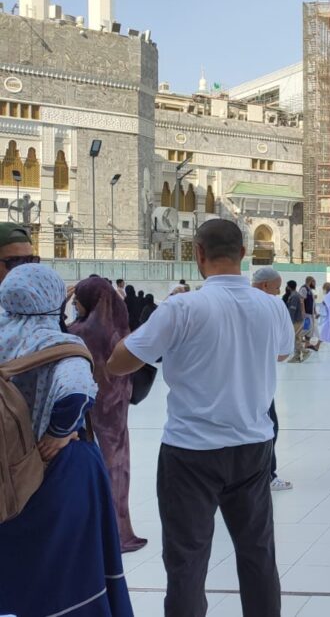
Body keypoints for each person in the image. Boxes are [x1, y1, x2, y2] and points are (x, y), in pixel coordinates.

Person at [107, 219, 293, 617]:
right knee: (258, 554)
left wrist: (135, 329)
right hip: (253, 447)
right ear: (243, 254)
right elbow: (280, 353)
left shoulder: (182, 307)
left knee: (187, 563)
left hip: (190, 452)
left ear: (198, 254)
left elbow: (119, 363)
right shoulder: (272, 306)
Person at [0, 264, 134, 617]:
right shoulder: (57, 342)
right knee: (68, 573)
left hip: (5, 473)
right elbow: (74, 392)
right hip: (55, 473)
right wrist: (59, 433)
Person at [68, 276, 147, 553]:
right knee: (118, 465)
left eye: (78, 300)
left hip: (85, 410)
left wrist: (59, 305)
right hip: (116, 407)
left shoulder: (79, 332)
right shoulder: (119, 326)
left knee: (85, 468)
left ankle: (94, 530)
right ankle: (119, 530)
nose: (76, 304)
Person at [251, 267, 293, 492]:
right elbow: (283, 353)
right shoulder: (274, 305)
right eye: (277, 288)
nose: (278, 293)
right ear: (266, 285)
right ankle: (266, 475)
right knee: (268, 427)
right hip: (258, 383)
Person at [283, 280, 311, 363]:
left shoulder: (294, 296)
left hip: (295, 320)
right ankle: (297, 356)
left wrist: (289, 321)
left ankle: (305, 352)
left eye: (287, 286)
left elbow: (292, 309)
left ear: (289, 287)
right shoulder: (295, 295)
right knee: (296, 338)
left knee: (295, 337)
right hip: (297, 319)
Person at [301, 276, 319, 351]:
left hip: (310, 313)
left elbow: (312, 303)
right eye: (314, 282)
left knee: (310, 329)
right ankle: (295, 339)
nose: (315, 284)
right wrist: (303, 312)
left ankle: (307, 344)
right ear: (311, 281)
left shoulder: (309, 290)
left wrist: (315, 312)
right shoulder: (304, 288)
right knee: (306, 328)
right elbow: (301, 300)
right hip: (306, 314)